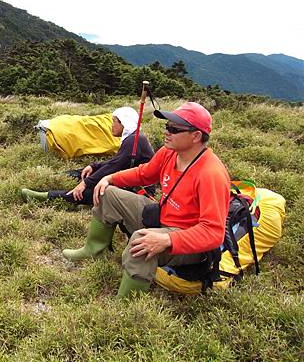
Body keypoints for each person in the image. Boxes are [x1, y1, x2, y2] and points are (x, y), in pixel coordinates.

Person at [62, 102, 230, 298]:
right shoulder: (169, 152)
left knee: (141, 242)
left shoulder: (211, 174)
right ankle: (93, 249)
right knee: (107, 193)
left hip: (188, 239)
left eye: (174, 129)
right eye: (167, 126)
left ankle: (127, 307)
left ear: (196, 136)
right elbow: (145, 173)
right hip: (163, 216)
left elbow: (213, 233)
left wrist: (167, 239)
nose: (167, 132)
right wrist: (109, 178)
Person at [21, 107, 155, 206]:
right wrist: (94, 166)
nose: (111, 125)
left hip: (138, 190)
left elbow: (114, 166)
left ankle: (44, 196)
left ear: (124, 123)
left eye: (114, 121)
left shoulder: (135, 140)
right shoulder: (132, 138)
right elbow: (116, 162)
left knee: (93, 192)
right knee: (86, 171)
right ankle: (53, 178)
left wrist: (86, 183)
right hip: (127, 180)